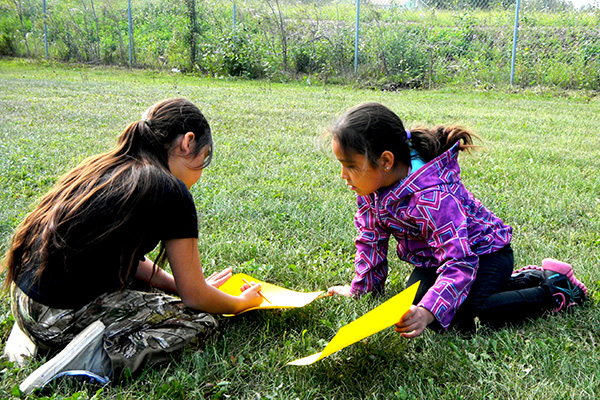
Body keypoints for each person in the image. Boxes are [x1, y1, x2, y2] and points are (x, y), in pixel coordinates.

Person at [1, 98, 263, 386]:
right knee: (201, 321)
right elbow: (195, 298)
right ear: (188, 143)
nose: (200, 173)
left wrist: (179, 285)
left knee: (149, 291)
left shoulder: (111, 166)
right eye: (205, 158)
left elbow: (131, 262)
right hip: (59, 318)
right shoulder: (170, 189)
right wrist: (239, 303)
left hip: (26, 302)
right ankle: (86, 361)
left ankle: (35, 336)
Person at [326, 102, 587, 338]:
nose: (343, 175)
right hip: (436, 260)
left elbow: (460, 260)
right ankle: (523, 279)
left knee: (470, 312)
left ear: (385, 160)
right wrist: (361, 291)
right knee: (413, 303)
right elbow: (370, 240)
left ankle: (554, 289)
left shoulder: (432, 196)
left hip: (486, 254)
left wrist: (429, 311)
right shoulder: (370, 188)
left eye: (350, 165)